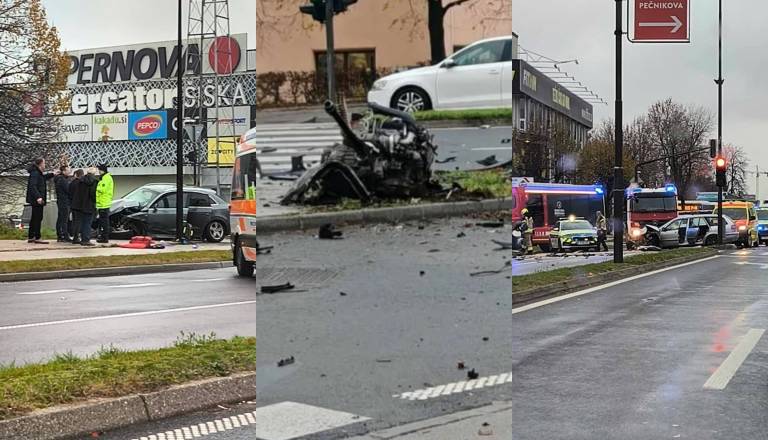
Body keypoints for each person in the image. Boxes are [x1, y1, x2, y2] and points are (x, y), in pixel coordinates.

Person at [25, 158, 55, 244]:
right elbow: (33, 186)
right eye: (44, 163)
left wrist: (53, 174)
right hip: (37, 199)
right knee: (38, 217)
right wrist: (38, 197)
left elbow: (43, 178)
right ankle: (37, 237)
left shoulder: (37, 173)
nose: (45, 165)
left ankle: (31, 236)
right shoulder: (35, 173)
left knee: (34, 217)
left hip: (36, 199)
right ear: (40, 164)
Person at [70, 167, 98, 246]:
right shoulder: (94, 181)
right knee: (87, 222)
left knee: (79, 222)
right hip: (88, 205)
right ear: (94, 173)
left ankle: (76, 237)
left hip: (78, 204)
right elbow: (93, 195)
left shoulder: (80, 180)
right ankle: (85, 239)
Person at [95, 164, 114, 243]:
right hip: (102, 203)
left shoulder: (106, 178)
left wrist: (96, 186)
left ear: (102, 170)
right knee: (103, 221)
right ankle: (103, 236)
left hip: (104, 203)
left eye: (99, 170)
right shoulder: (104, 178)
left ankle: (104, 237)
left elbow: (102, 189)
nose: (98, 172)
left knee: (104, 222)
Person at [53, 165, 72, 242]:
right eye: (68, 170)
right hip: (64, 201)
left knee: (61, 218)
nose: (69, 171)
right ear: (64, 171)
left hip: (61, 201)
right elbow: (68, 190)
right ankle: (64, 235)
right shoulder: (63, 180)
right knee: (64, 219)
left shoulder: (59, 179)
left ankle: (60, 235)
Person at [69, 169, 84, 244]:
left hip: (73, 204)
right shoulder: (81, 183)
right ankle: (76, 237)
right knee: (78, 221)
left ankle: (74, 236)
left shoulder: (72, 183)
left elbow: (70, 193)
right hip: (79, 205)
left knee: (74, 221)